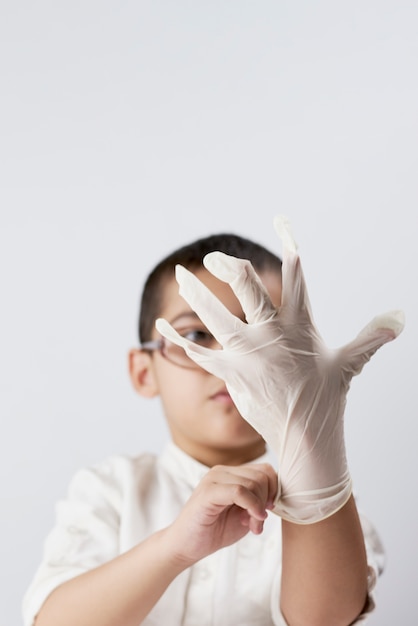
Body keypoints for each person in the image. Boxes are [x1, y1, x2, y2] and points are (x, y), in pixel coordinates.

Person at [23, 216, 403, 626]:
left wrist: (311, 431)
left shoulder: (331, 505)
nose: (230, 363)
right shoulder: (111, 488)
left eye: (258, 339)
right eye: (197, 336)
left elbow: (325, 620)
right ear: (143, 371)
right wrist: (175, 548)